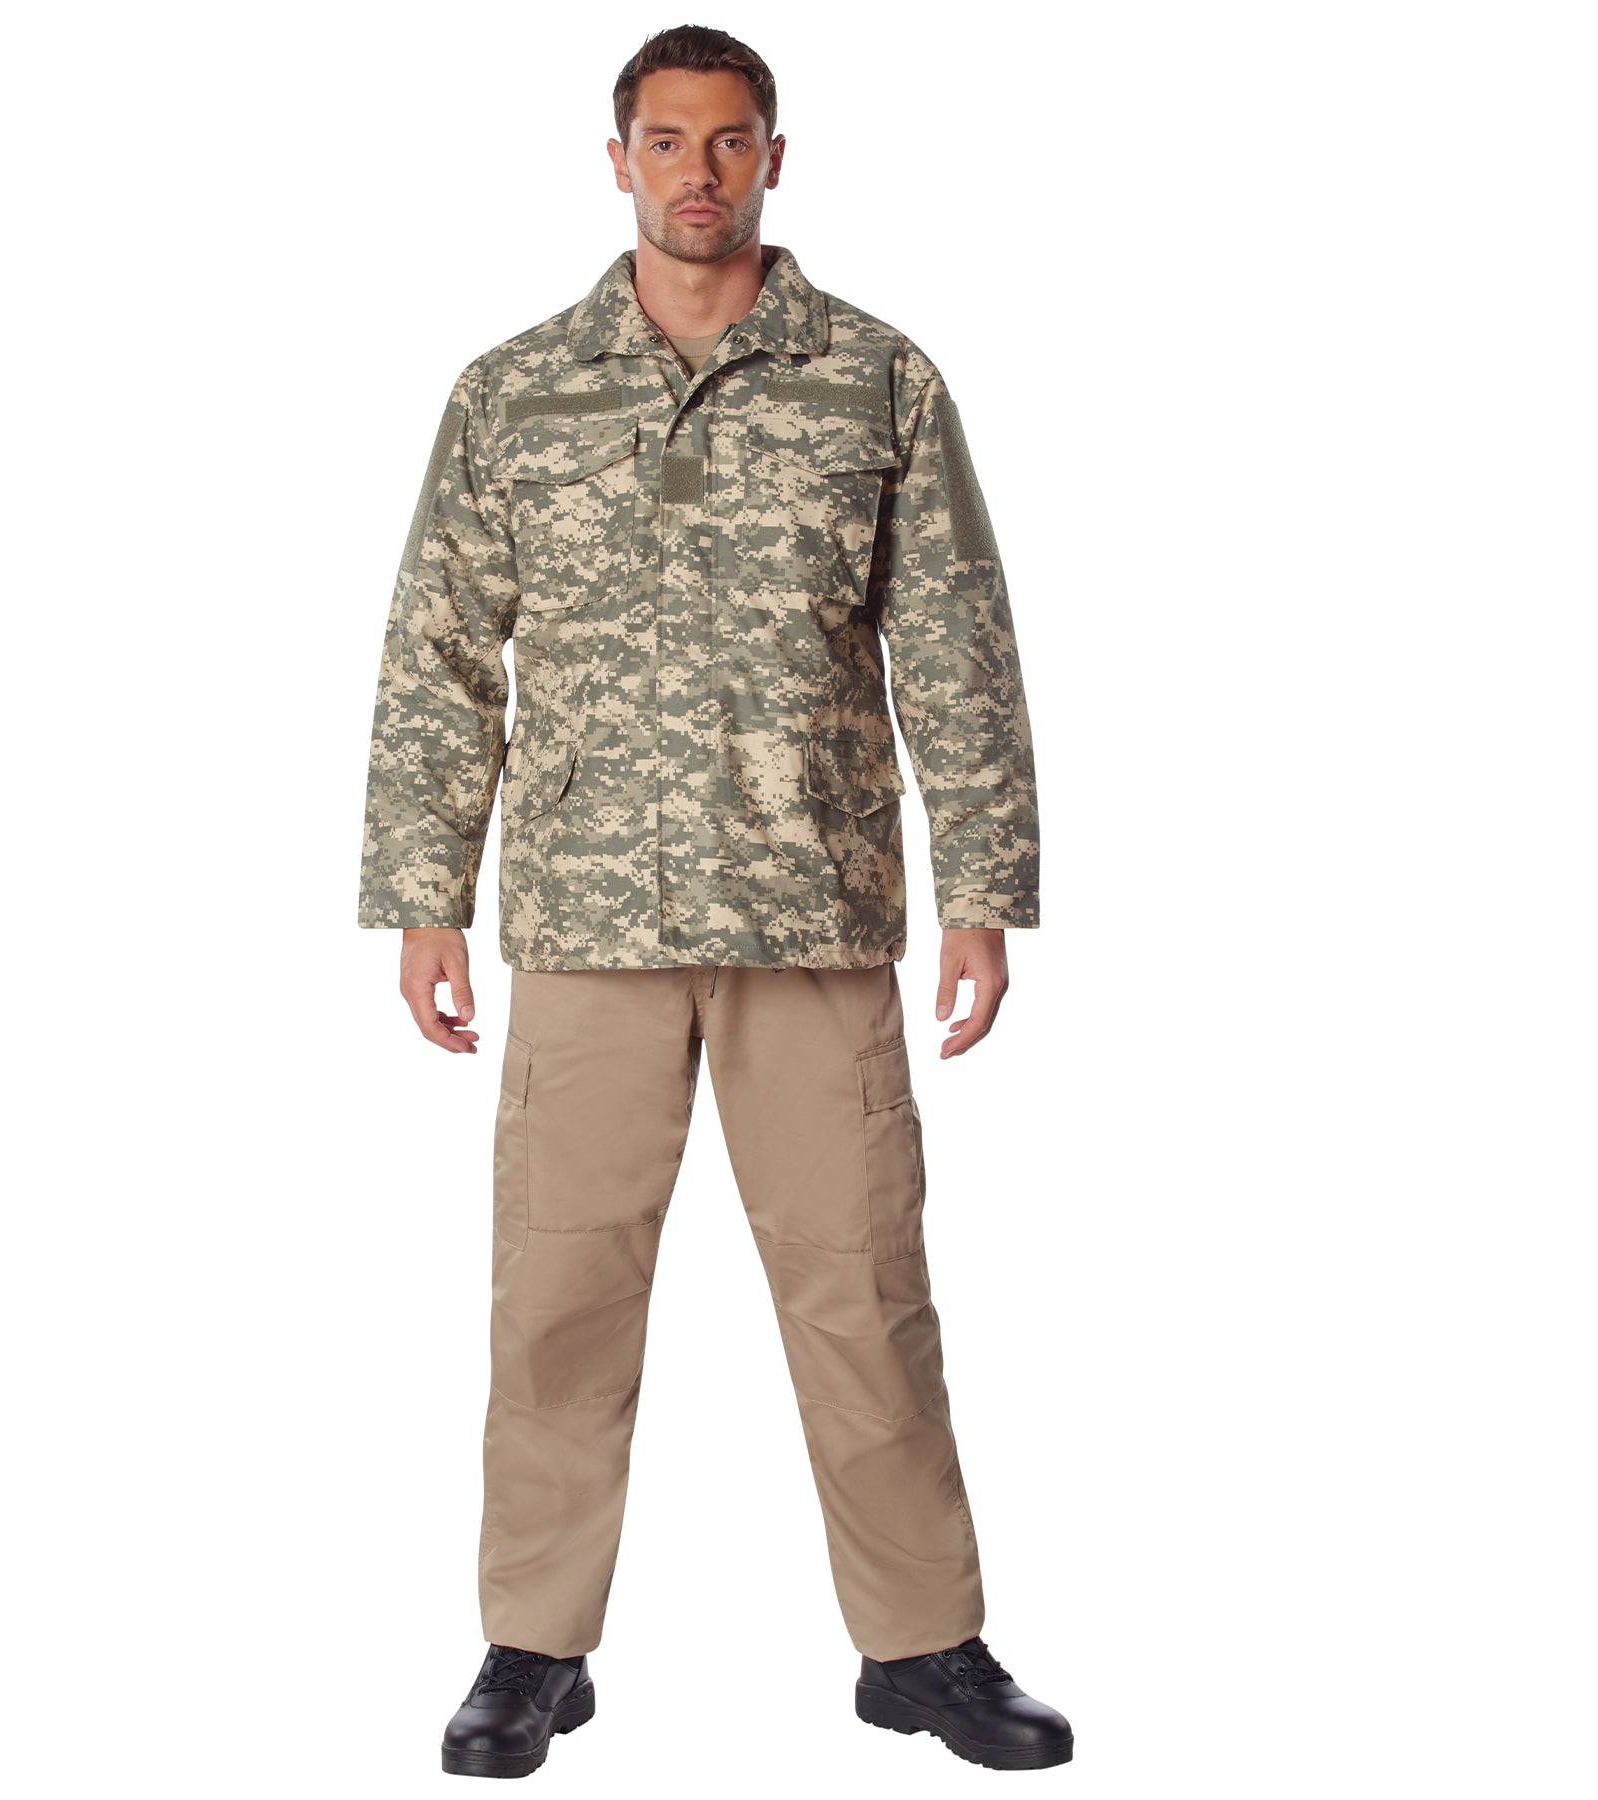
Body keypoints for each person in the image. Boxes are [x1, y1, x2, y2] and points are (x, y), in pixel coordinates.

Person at [358, 23, 1073, 1779]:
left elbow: (956, 642)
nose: (699, 172)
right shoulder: (514, 391)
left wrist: (983, 892)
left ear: (774, 157)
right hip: (587, 920)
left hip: (811, 906)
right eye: (667, 141)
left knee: (865, 1291)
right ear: (617, 160)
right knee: (558, 1299)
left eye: (730, 140)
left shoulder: (877, 379)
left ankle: (922, 1647)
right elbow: (440, 652)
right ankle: (533, 1649)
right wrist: (423, 896)